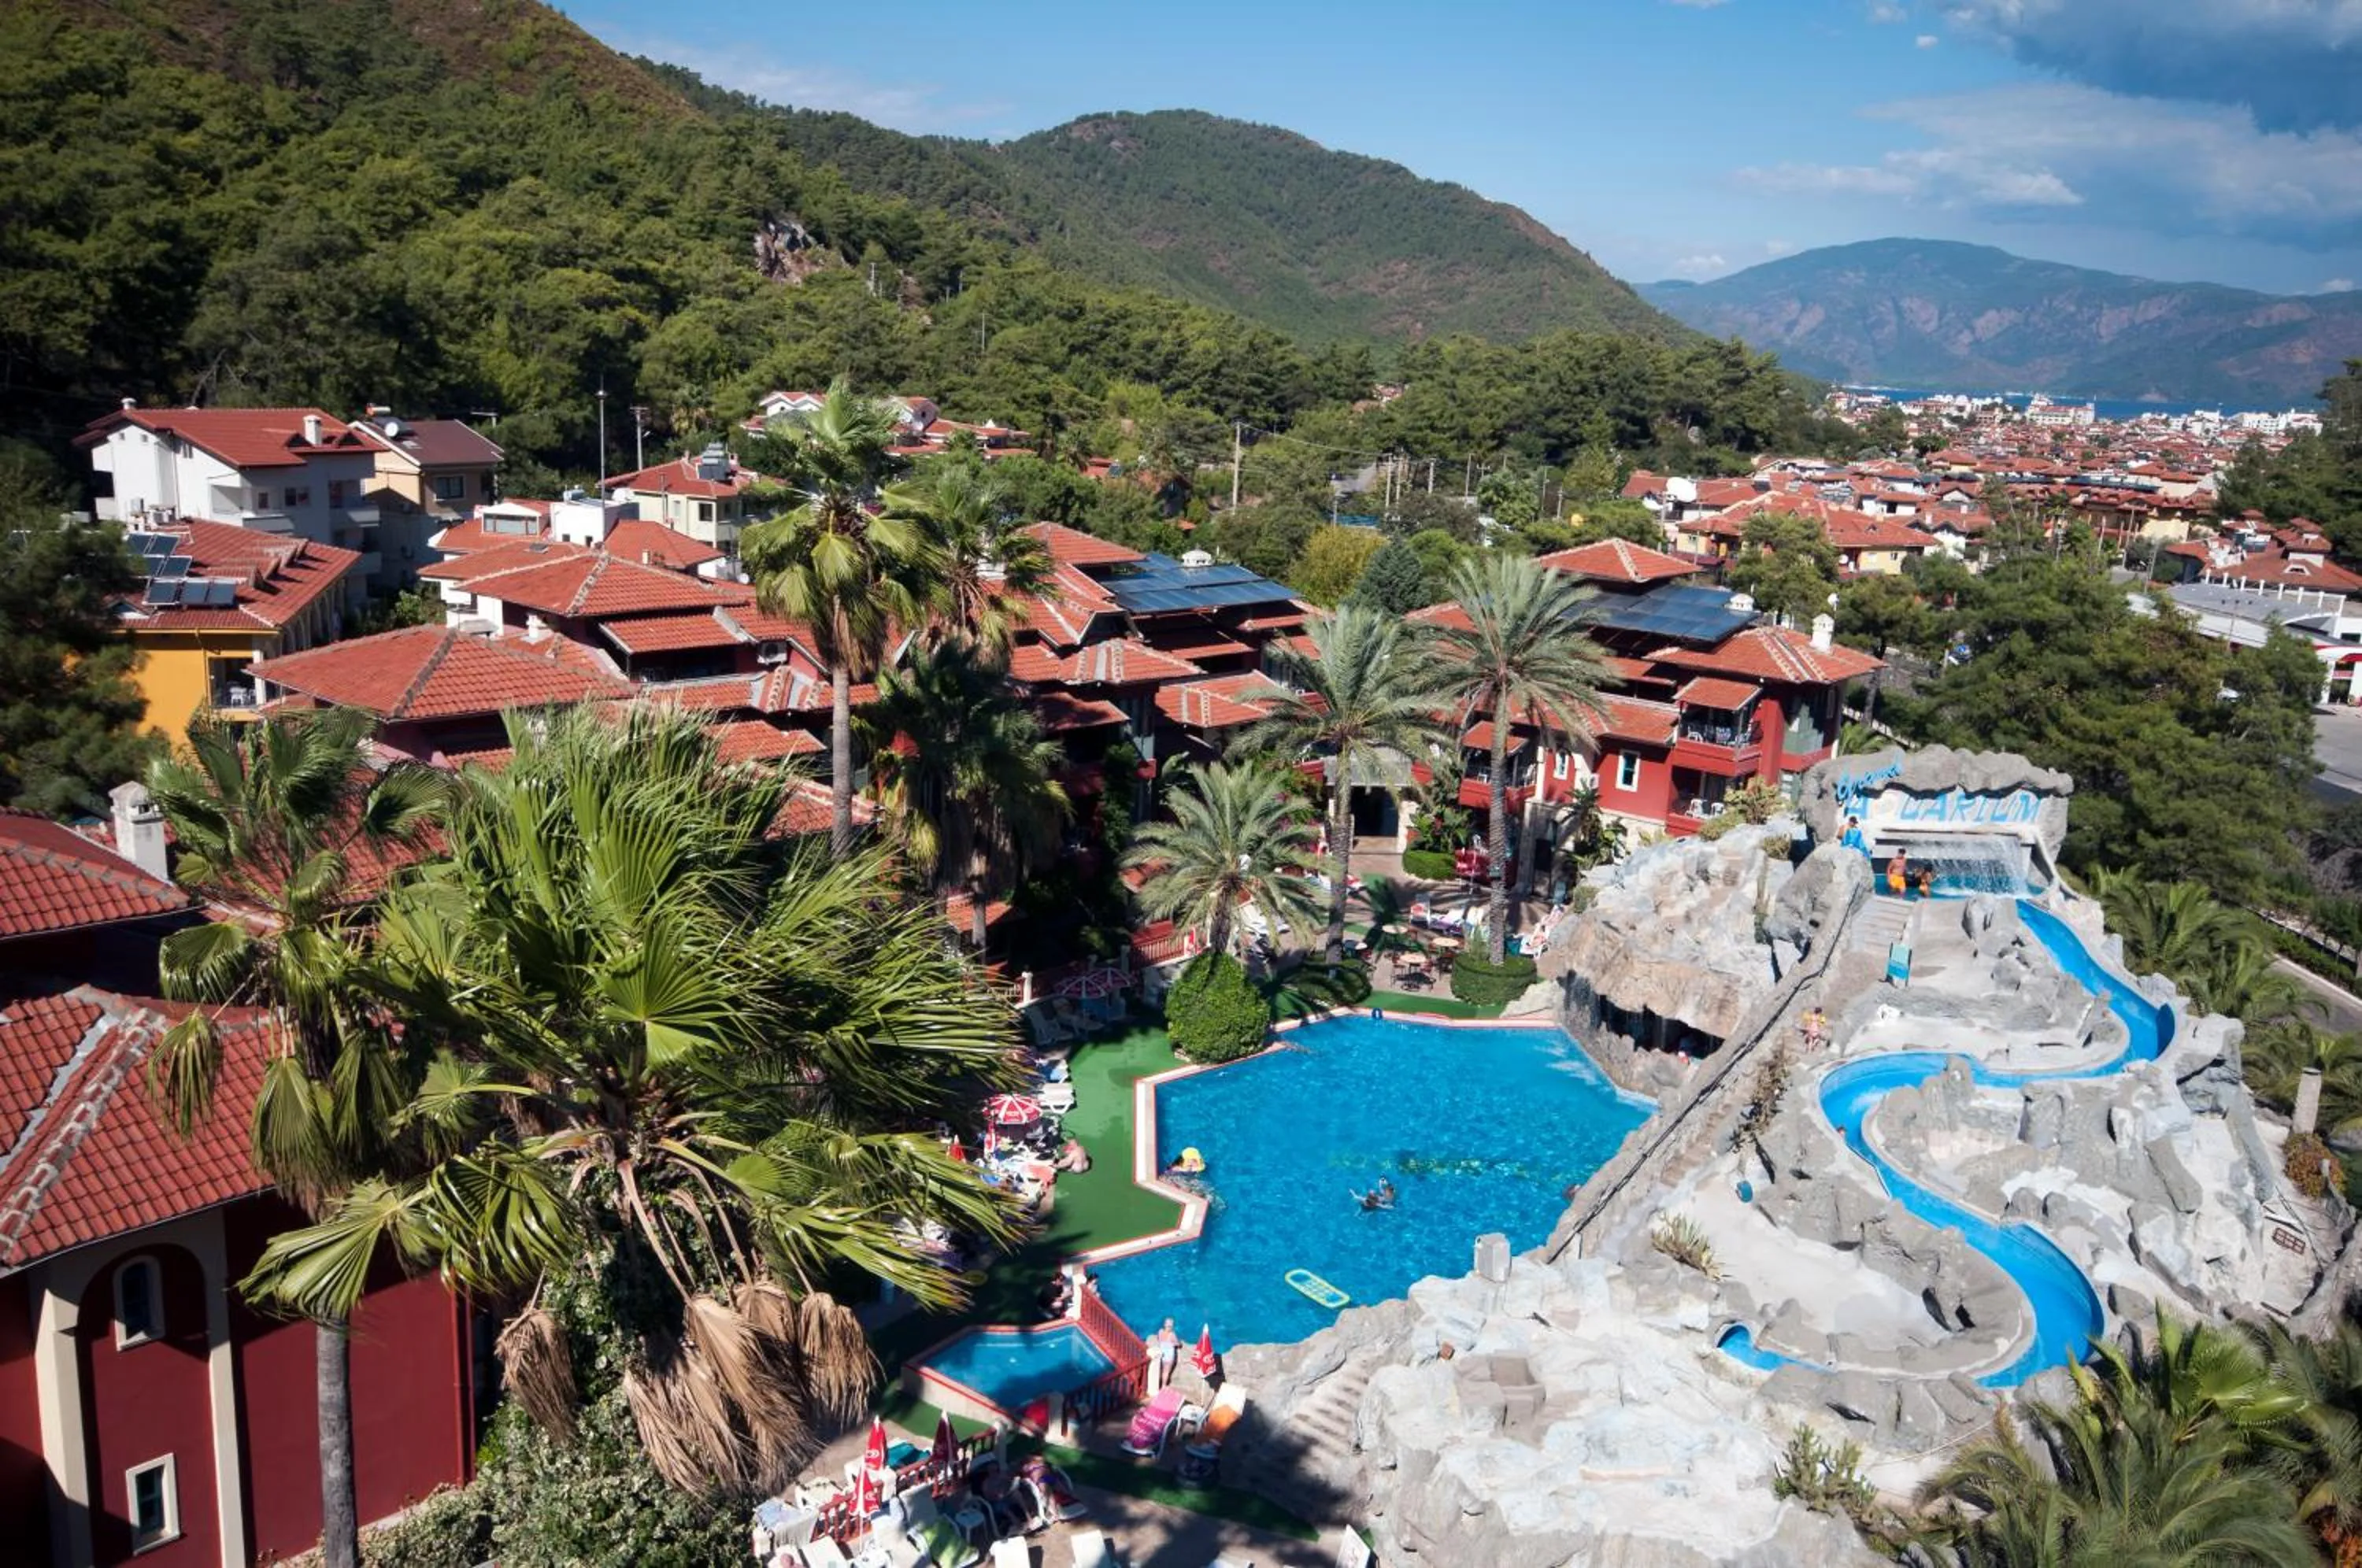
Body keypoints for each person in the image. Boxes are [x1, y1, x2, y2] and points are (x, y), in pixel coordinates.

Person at [1146, 1318, 1183, 1394]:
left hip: (1162, 1353)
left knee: (1161, 1369)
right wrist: (1179, 1343)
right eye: (1170, 1326)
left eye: (1171, 1326)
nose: (1170, 1327)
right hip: (1169, 1356)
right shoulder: (1172, 1334)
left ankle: (1157, 1384)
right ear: (1167, 1325)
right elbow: (1177, 1344)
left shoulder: (1160, 1331)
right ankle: (1163, 1386)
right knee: (1166, 1372)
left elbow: (1158, 1339)